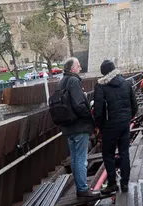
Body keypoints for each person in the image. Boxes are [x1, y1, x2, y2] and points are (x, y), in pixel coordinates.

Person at [93, 59, 137, 194]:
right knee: (124, 153)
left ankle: (112, 184)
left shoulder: (100, 87)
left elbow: (98, 111)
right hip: (124, 124)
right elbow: (134, 105)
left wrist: (100, 126)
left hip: (109, 126)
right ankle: (124, 184)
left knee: (108, 155)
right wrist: (128, 118)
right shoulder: (125, 83)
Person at [58, 57, 99, 198]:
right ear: (72, 69)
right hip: (79, 126)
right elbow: (79, 104)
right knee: (81, 159)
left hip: (68, 126)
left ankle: (80, 188)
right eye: (78, 66)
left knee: (75, 158)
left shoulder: (62, 81)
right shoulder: (74, 81)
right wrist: (90, 120)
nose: (80, 68)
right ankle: (83, 189)